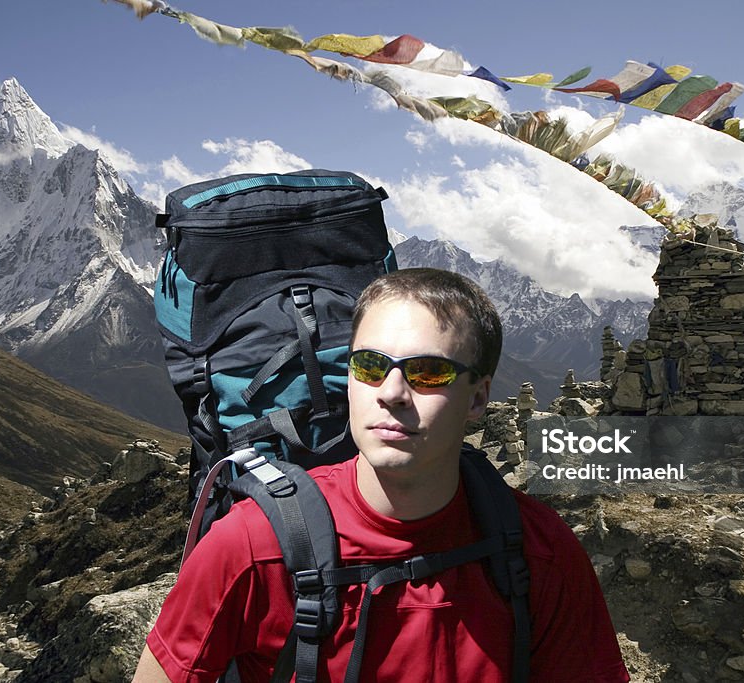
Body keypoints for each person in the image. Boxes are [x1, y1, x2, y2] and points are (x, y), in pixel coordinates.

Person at [134, 267, 630, 682]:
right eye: (370, 366)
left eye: (429, 372)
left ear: (478, 397)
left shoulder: (543, 553)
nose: (391, 392)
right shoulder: (251, 548)